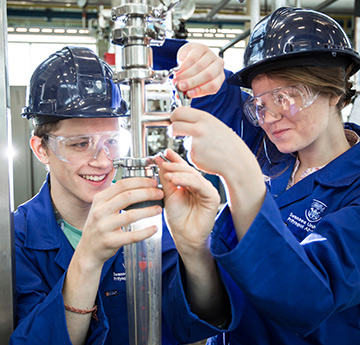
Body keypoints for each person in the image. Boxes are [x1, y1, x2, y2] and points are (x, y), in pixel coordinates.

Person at [10, 45, 241, 345]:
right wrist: (87, 259)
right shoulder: (15, 239)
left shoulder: (146, 221)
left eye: (113, 141)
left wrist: (195, 250)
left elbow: (196, 326)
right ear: (41, 148)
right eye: (81, 144)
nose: (104, 160)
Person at [162, 7, 360, 344]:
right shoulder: (267, 143)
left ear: (334, 91)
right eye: (260, 102)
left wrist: (242, 174)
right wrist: (188, 55)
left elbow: (308, 298)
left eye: (286, 97)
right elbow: (207, 87)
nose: (270, 118)